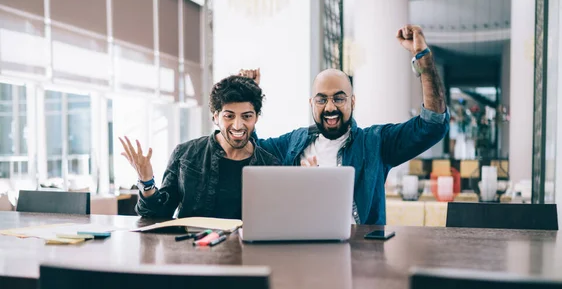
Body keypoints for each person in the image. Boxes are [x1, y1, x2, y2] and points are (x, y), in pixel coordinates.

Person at [241, 25, 449, 225]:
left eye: (339, 99)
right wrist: (247, 94)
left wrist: (425, 61)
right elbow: (251, 153)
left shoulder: (375, 142)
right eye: (322, 99)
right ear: (311, 103)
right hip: (302, 251)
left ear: (352, 101)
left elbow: (432, 125)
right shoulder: (292, 143)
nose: (330, 107)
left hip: (360, 255)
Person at [119, 75, 279, 219]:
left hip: (245, 251)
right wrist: (147, 181)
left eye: (247, 116)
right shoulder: (185, 154)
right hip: (191, 249)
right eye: (229, 116)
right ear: (215, 117)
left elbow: (275, 222)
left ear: (256, 118)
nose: (237, 125)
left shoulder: (270, 165)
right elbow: (157, 214)